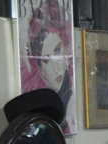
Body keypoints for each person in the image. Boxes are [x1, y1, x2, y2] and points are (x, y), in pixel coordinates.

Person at [20, 0, 73, 131]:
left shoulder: (70, 98)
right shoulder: (38, 103)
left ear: (66, 48)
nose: (56, 67)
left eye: (57, 51)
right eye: (47, 59)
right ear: (40, 69)